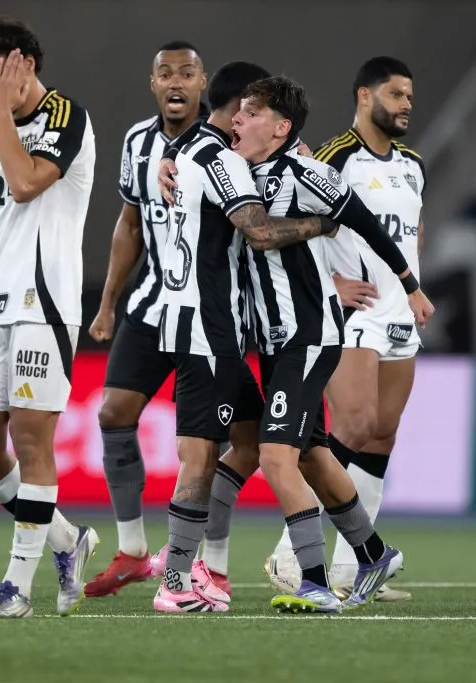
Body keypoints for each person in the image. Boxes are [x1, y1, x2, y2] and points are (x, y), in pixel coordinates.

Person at [196, 76, 433, 612]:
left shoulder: (308, 172)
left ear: (281, 128)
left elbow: (370, 226)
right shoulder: (241, 172)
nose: (237, 119)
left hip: (311, 335)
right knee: (312, 456)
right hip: (275, 341)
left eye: (250, 113)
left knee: (277, 457)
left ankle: (314, 582)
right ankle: (373, 554)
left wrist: (411, 284)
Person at [151, 61, 335, 613]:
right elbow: (257, 230)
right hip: (210, 328)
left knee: (252, 443)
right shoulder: (220, 158)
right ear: (237, 113)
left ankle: (198, 565)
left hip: (195, 323)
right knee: (200, 457)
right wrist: (325, 220)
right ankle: (177, 581)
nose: (250, 122)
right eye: (251, 111)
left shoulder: (183, 153)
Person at [0, 16, 97, 618]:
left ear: (23, 64)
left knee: (31, 440)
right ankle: (67, 540)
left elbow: (27, 181)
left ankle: (17, 589)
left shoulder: (67, 118)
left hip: (44, 303)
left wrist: (4, 115)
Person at [264, 58, 426, 602]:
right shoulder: (334, 156)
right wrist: (330, 283)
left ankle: (356, 565)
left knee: (382, 433)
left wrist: (413, 288)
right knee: (352, 426)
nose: (407, 104)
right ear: (365, 95)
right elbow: (296, 222)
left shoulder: (413, 164)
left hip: (400, 313)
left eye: (410, 96)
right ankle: (292, 554)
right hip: (355, 313)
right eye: (397, 94)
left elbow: (408, 233)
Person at [83, 40, 209, 598]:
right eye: (166, 73)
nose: (176, 81)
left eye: (186, 72)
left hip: (207, 316)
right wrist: (109, 301)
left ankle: (203, 561)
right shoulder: (137, 141)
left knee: (200, 447)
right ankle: (133, 550)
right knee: (113, 413)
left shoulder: (223, 146)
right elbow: (129, 224)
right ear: (153, 83)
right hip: (150, 306)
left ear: (202, 83)